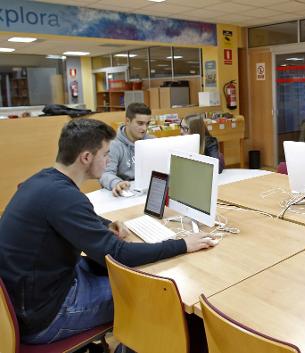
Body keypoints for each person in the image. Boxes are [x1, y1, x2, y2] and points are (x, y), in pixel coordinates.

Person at [0, 118, 214, 345]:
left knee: (122, 274)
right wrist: (183, 244)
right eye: (105, 154)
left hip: (30, 296)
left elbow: (66, 215)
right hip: (45, 316)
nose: (109, 160)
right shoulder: (66, 198)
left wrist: (104, 224)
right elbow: (119, 253)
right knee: (158, 297)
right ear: (86, 157)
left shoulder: (43, 181)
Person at [99, 103, 153, 196]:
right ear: (127, 121)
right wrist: (117, 183)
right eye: (140, 123)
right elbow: (105, 174)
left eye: (147, 124)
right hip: (124, 193)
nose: (144, 128)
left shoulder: (151, 141)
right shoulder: (113, 145)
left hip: (146, 191)